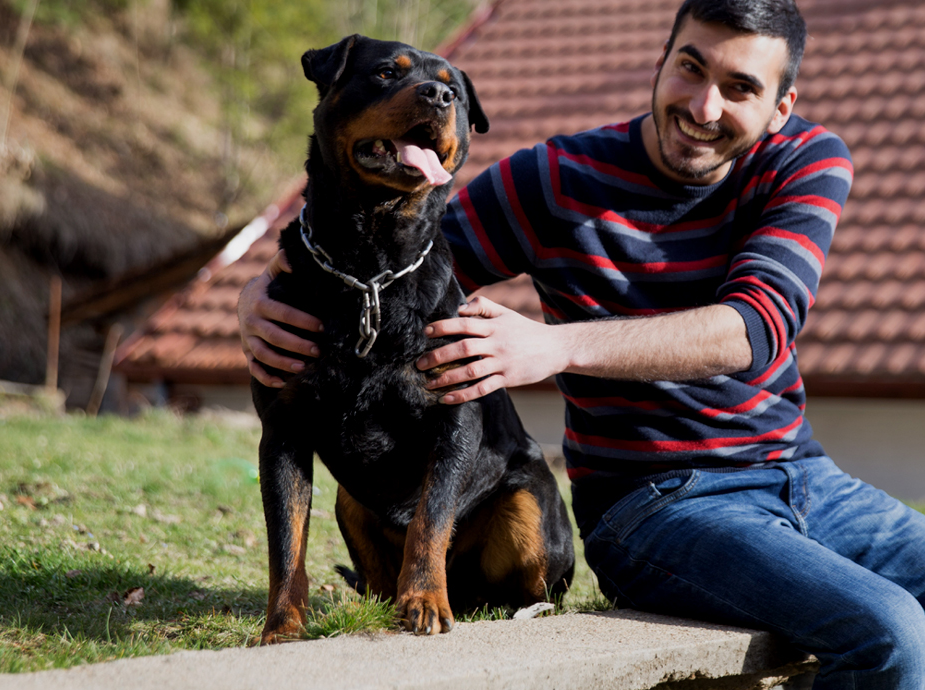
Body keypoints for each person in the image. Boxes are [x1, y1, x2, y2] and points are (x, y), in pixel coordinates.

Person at [238, 0, 925, 686]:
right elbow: (396, 259)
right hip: (657, 506)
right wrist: (259, 292)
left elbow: (756, 326)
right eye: (691, 68)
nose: (705, 106)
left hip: (807, 478)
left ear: (781, 107)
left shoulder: (806, 158)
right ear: (660, 64)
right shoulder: (556, 178)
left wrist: (557, 347)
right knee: (891, 634)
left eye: (741, 87)